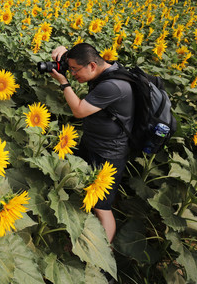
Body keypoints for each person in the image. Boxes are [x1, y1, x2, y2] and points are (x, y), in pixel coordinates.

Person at [49, 43, 134, 243]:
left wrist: (64, 82)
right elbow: (84, 53)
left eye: (75, 70)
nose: (73, 74)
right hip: (93, 143)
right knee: (82, 191)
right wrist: (64, 50)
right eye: (70, 70)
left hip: (108, 153)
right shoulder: (106, 69)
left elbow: (78, 110)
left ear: (93, 66)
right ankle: (81, 237)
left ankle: (104, 253)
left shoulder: (112, 85)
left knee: (101, 206)